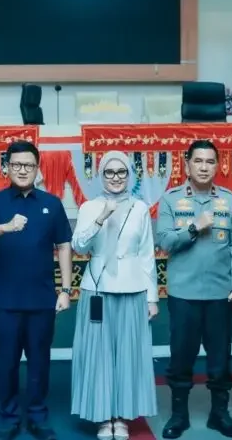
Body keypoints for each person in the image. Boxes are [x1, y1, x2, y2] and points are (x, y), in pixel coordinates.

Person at [0, 140, 73, 440]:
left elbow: (64, 245)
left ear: (37, 168)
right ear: (6, 167)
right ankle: (9, 417)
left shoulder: (52, 203)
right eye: (16, 164)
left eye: (28, 165)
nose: (22, 170)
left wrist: (65, 289)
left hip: (42, 299)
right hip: (5, 300)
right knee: (7, 362)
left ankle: (38, 416)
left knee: (40, 362)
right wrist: (5, 227)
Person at [156, 140, 232, 439]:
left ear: (217, 165)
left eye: (210, 161)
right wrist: (194, 227)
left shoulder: (228, 200)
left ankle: (219, 415)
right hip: (184, 294)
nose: (204, 167)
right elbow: (164, 242)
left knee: (220, 359)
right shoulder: (170, 200)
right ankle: (178, 416)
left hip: (220, 294)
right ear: (187, 165)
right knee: (181, 358)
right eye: (198, 161)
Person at [70, 151, 158, 440]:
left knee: (128, 355)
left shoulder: (140, 208)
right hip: (97, 289)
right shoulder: (89, 207)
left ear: (129, 175)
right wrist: (101, 218)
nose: (116, 177)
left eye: (122, 172)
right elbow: (79, 246)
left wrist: (152, 297)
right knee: (99, 355)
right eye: (110, 172)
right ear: (101, 175)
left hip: (133, 289)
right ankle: (102, 415)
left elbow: (146, 255)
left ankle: (121, 416)